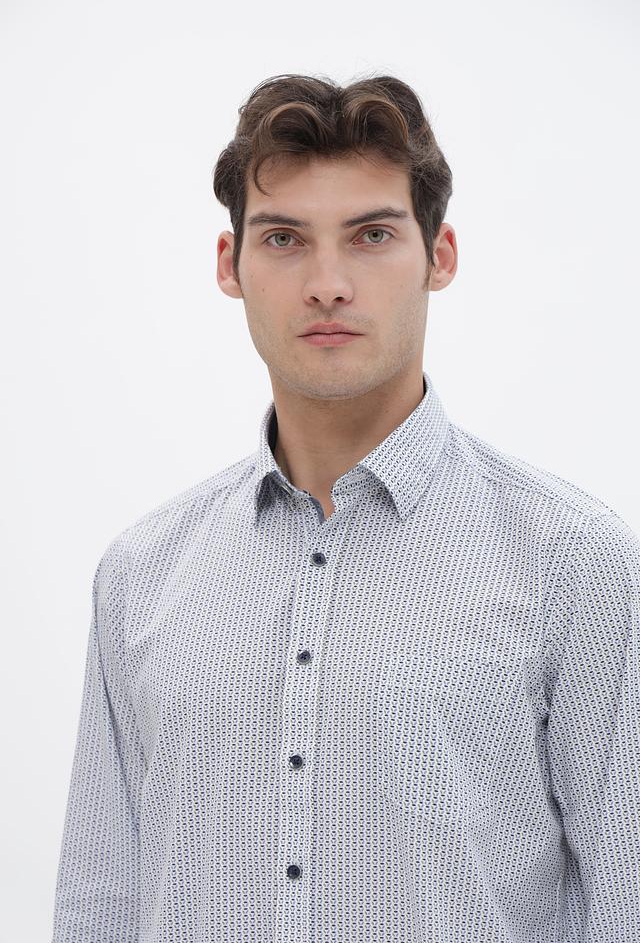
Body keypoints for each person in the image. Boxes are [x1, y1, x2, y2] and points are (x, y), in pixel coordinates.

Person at [51, 72, 640, 943]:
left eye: (372, 235)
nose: (327, 284)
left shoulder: (574, 562)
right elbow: (100, 906)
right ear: (230, 265)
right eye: (284, 238)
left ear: (439, 257)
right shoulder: (141, 575)